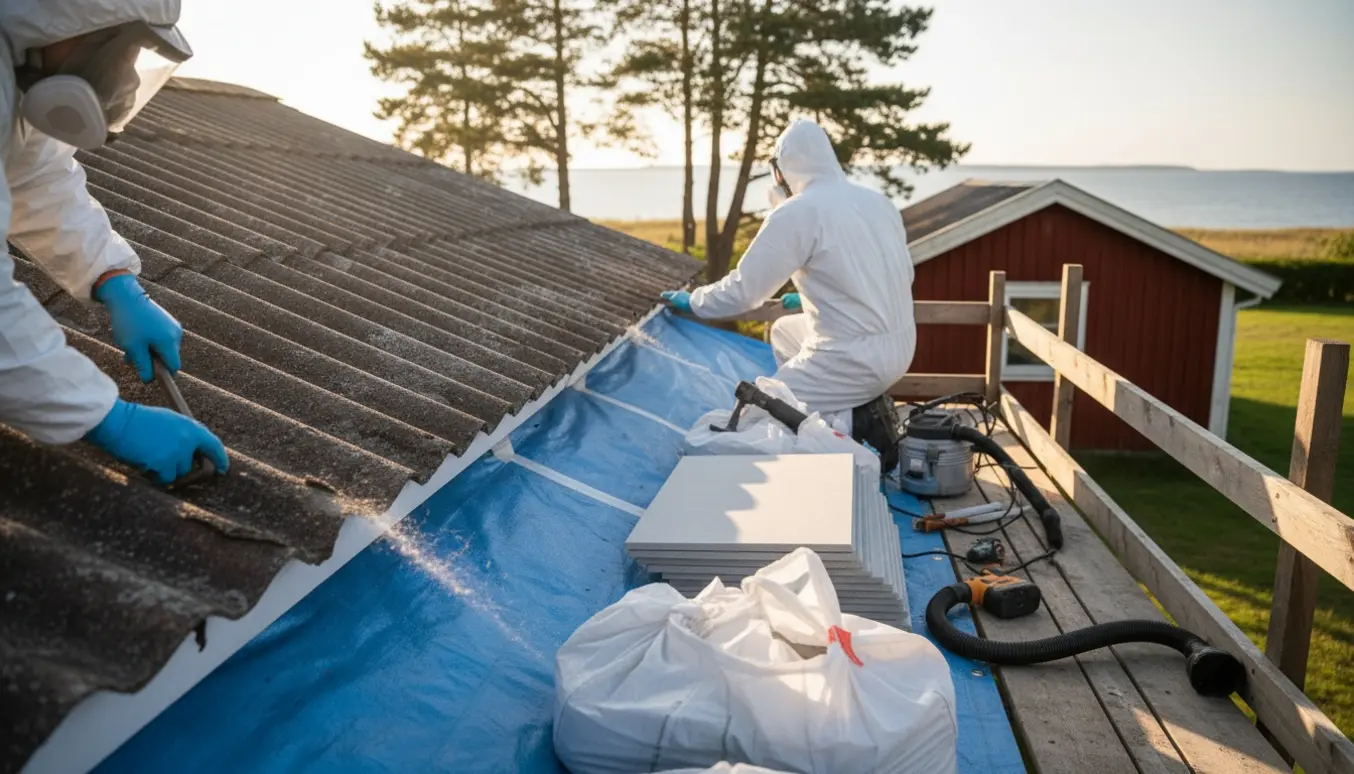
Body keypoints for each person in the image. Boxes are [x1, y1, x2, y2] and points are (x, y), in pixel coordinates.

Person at [2, 1, 228, 485]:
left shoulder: (14, 60)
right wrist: (105, 416)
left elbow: (32, 177)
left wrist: (113, 278)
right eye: (115, 46)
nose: (121, 74)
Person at [662, 118, 915, 455]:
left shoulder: (797, 212)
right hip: (901, 349)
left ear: (781, 170)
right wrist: (816, 300)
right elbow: (900, 275)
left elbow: (743, 291)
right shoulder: (876, 202)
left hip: (852, 361)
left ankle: (834, 446)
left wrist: (694, 301)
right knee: (784, 330)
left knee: (755, 416)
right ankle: (837, 423)